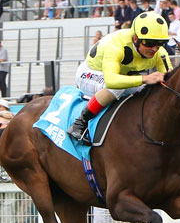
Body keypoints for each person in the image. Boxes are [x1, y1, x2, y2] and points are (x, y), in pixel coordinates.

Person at [68, 11, 172, 145]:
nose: (154, 49)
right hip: (91, 73)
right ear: (135, 38)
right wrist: (145, 78)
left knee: (148, 89)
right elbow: (111, 81)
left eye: (160, 43)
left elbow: (170, 82)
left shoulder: (160, 53)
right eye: (149, 43)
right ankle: (79, 123)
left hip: (121, 76)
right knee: (118, 87)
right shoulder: (116, 46)